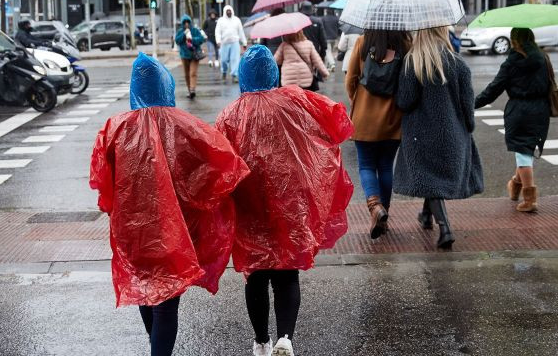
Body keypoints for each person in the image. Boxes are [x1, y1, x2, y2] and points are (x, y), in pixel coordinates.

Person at [90, 53, 250, 356]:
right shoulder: (186, 125)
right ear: (166, 84)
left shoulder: (114, 129)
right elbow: (223, 165)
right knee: (167, 299)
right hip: (173, 228)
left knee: (145, 288)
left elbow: (102, 182)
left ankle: (156, 343)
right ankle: (159, 348)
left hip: (132, 231)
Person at [216, 45, 353, 356]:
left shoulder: (230, 115)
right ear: (273, 72)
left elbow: (220, 164)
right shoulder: (295, 102)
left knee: (256, 275)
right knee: (286, 272)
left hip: (249, 206)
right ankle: (286, 338)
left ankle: (261, 341)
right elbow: (332, 123)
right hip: (289, 203)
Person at [394, 26, 484, 250]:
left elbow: (405, 101)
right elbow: (467, 103)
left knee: (428, 177)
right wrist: (469, 127)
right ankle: (426, 215)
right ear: (443, 32)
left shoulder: (412, 63)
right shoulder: (458, 63)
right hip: (451, 132)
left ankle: (445, 229)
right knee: (432, 178)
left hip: (420, 134)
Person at [475, 28, 550, 213]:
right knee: (526, 149)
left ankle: (530, 199)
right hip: (541, 110)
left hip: (519, 112)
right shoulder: (543, 58)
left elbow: (493, 90)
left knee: (523, 154)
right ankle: (515, 184)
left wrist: (471, 104)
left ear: (514, 41)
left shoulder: (511, 63)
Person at [345, 29, 411, 239]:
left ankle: (375, 207)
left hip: (365, 115)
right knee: (384, 166)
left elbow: (351, 79)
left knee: (365, 165)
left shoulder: (363, 42)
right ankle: (384, 215)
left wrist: (357, 100)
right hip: (393, 117)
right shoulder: (404, 43)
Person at [174, 15, 205, 99]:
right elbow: (177, 41)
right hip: (184, 56)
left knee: (193, 73)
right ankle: (189, 90)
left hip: (194, 55)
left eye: (188, 22)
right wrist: (184, 35)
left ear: (190, 23)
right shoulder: (180, 31)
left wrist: (192, 39)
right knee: (186, 74)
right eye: (184, 23)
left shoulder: (195, 30)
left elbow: (201, 39)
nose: (186, 24)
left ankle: (192, 89)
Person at [215, 4, 247, 83]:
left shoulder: (236, 20)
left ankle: (234, 75)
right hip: (224, 43)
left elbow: (241, 32)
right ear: (225, 12)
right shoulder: (221, 21)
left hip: (234, 43)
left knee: (235, 59)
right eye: (227, 11)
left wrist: (244, 42)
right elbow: (217, 32)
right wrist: (218, 41)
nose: (229, 12)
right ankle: (224, 72)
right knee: (224, 60)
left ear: (232, 11)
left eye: (230, 11)